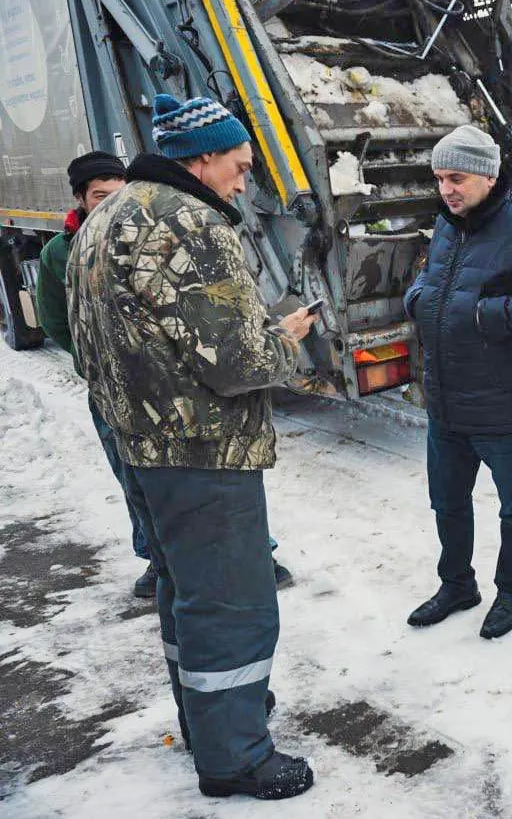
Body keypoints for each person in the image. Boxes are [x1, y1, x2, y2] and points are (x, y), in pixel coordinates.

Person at [66, 93, 316, 800]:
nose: (244, 182)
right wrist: (286, 342)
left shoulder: (105, 216)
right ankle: (234, 755)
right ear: (201, 159)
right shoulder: (189, 224)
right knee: (233, 601)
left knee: (184, 590)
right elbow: (239, 362)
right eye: (238, 167)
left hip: (141, 444)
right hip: (202, 451)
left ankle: (207, 717)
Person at [404, 125, 512, 640]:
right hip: (447, 400)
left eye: (455, 177)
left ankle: (511, 590)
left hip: (507, 405)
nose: (446, 190)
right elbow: (428, 277)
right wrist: (418, 298)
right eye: (439, 179)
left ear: (487, 173)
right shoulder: (447, 224)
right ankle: (457, 584)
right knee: (448, 503)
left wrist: (485, 316)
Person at [34, 152, 152, 596]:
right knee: (131, 476)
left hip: (164, 385)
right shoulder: (58, 253)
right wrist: (96, 360)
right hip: (110, 390)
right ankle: (157, 560)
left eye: (118, 195)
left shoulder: (147, 237)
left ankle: (259, 552)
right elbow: (54, 320)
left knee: (204, 473)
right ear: (80, 198)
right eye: (99, 196)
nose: (109, 205)